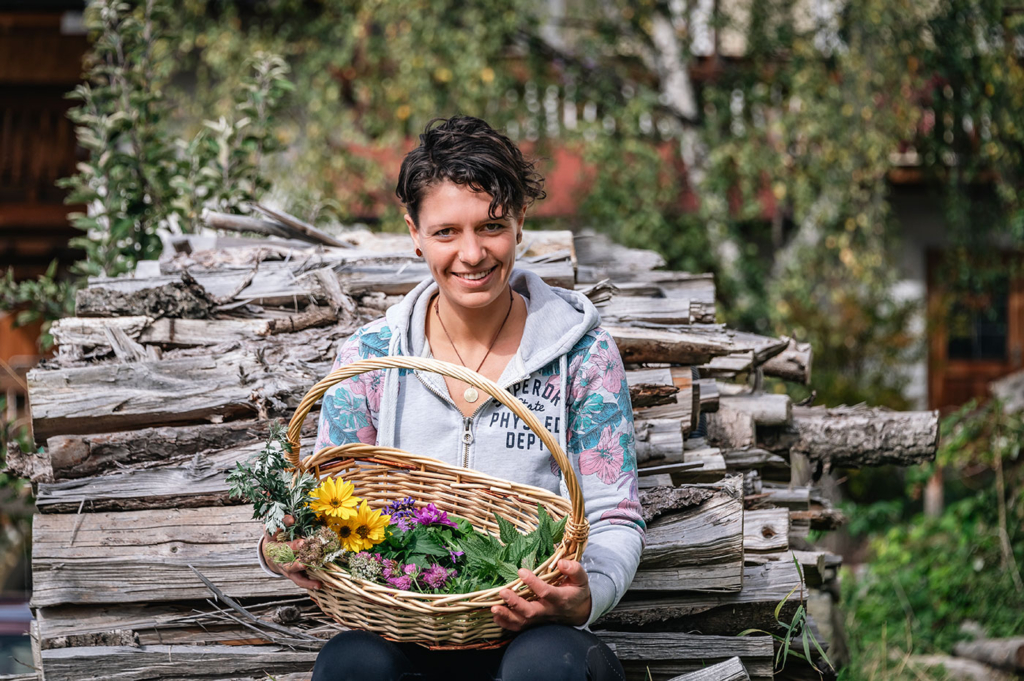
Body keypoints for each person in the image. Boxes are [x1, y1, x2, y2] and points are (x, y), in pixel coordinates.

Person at [258, 116, 645, 681]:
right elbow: (320, 499)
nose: (472, 254)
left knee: (546, 668)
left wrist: (587, 598)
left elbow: (614, 515)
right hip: (404, 625)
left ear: (519, 223)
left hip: (536, 636)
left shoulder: (583, 356)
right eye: (445, 232)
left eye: (491, 226)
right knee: (350, 664)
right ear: (413, 232)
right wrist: (284, 548)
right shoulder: (371, 360)